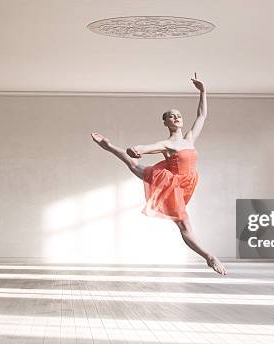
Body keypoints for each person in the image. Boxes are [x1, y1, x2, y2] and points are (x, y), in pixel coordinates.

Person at [91, 73, 226, 275]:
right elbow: (146, 147)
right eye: (171, 116)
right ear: (166, 123)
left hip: (188, 182)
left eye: (178, 114)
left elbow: (202, 116)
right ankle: (210, 257)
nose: (176, 117)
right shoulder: (167, 144)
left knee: (135, 168)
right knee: (183, 224)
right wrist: (136, 149)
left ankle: (110, 147)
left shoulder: (189, 138)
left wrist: (203, 91)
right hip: (171, 183)